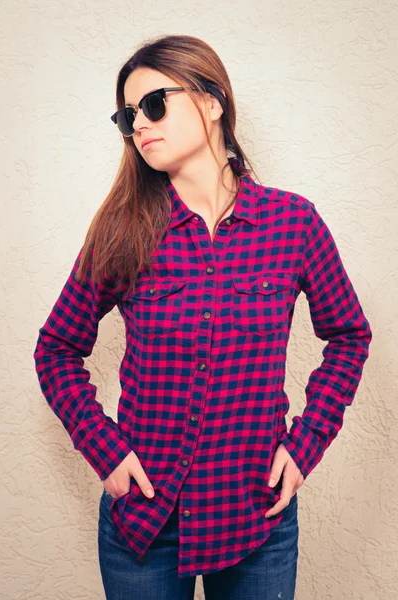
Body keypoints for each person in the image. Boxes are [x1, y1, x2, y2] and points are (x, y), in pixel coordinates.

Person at [33, 34, 373, 600]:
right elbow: (57, 348)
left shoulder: (294, 224)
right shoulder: (123, 230)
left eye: (155, 104)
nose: (139, 124)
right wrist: (103, 448)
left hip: (255, 524)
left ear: (212, 102)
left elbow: (349, 336)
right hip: (144, 524)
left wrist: (307, 442)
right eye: (128, 115)